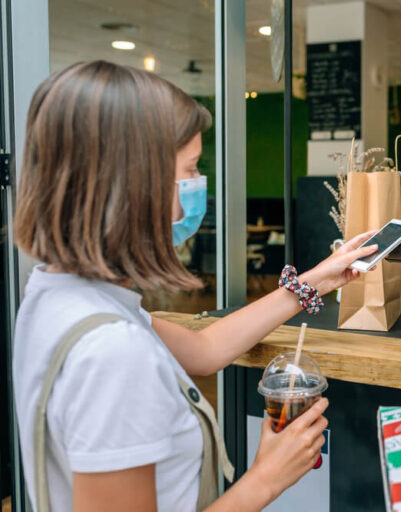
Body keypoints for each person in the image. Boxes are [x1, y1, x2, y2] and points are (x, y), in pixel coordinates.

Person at [12, 61, 379, 511]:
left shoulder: (60, 295)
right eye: (188, 170)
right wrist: (265, 480)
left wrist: (315, 281)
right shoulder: (111, 352)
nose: (195, 189)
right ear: (135, 184)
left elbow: (205, 352)